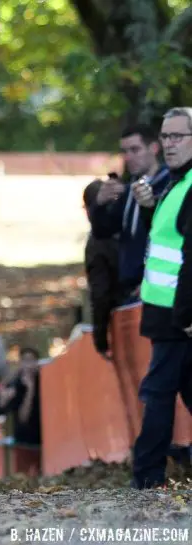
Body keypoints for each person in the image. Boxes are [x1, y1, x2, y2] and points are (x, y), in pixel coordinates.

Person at [130, 107, 192, 488]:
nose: (168, 144)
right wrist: (148, 207)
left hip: (177, 316)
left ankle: (147, 475)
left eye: (178, 136)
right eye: (165, 137)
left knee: (158, 392)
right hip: (166, 313)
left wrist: (185, 314)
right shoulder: (174, 182)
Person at [89, 124, 170, 304]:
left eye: (135, 150)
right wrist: (100, 203)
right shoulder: (129, 189)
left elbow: (172, 240)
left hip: (156, 287)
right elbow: (103, 231)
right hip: (128, 287)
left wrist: (153, 279)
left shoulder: (168, 185)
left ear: (154, 148)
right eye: (124, 151)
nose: (128, 157)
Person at [82, 179, 121, 360]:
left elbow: (100, 295)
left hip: (122, 316)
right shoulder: (127, 228)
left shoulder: (97, 245)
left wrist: (100, 340)